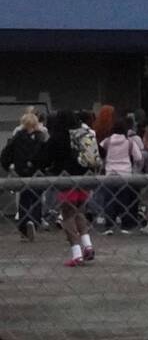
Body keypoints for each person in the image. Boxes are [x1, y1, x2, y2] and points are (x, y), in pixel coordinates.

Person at [46, 111, 97, 266]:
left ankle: (76, 253)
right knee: (79, 212)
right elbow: (100, 152)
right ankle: (88, 245)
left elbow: (43, 157)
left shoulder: (58, 137)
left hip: (67, 181)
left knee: (67, 216)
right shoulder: (84, 135)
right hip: (84, 180)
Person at [4, 110, 48, 241]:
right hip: (37, 173)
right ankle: (34, 221)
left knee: (24, 199)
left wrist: (9, 166)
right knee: (36, 199)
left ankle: (23, 227)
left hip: (21, 172)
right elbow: (45, 154)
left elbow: (6, 153)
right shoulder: (41, 137)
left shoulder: (17, 137)